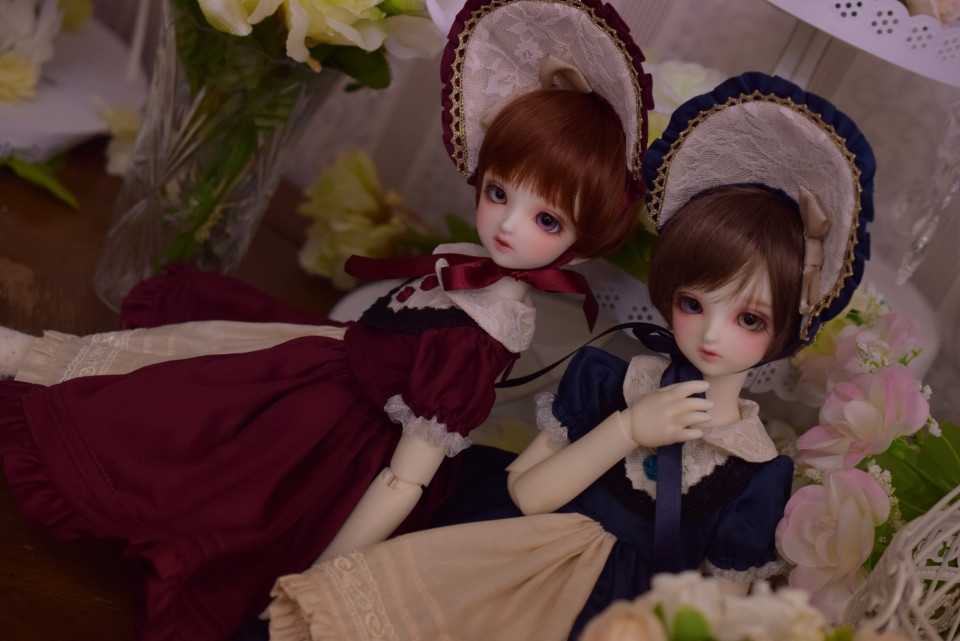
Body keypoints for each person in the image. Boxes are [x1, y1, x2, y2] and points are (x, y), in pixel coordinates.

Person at [0, 1, 651, 639]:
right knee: (175, 378)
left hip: (330, 445)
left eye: (547, 220)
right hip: (318, 365)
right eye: (498, 192)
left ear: (583, 242)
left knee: (193, 465)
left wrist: (317, 580)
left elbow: (405, 477)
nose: (507, 224)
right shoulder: (468, 270)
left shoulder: (479, 337)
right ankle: (34, 359)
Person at [264, 71, 876, 641]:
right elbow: (527, 495)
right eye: (692, 304)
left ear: (791, 327)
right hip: (513, 560)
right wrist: (626, 429)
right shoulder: (612, 382)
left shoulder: (757, 472)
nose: (711, 334)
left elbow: (714, 612)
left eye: (749, 319)